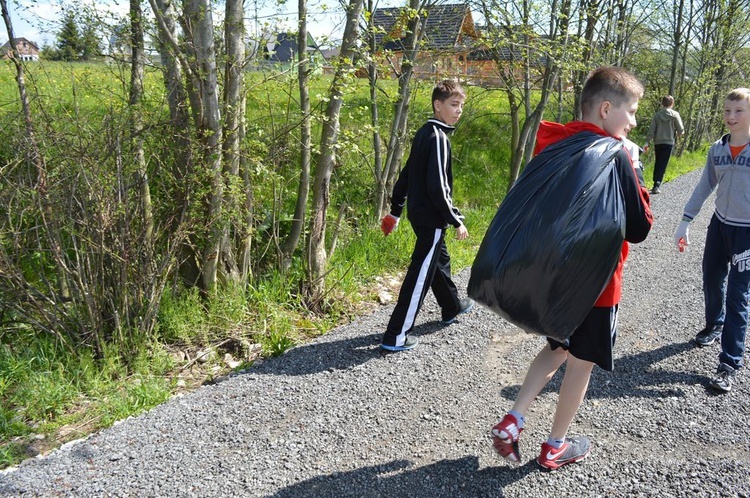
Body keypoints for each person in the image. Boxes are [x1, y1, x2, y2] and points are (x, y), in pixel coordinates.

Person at [490, 66, 653, 470]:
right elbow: (639, 227)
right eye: (630, 111)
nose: (633, 121)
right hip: (598, 286)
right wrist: (635, 173)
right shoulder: (615, 156)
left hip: (556, 281)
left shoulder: (556, 145)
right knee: (580, 364)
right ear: (604, 109)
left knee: (556, 347)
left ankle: (514, 419)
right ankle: (556, 445)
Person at [379, 80, 475, 352]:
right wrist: (455, 218)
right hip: (432, 218)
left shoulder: (424, 133)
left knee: (438, 261)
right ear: (438, 105)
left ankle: (451, 306)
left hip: (419, 216)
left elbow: (407, 174)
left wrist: (396, 211)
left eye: (461, 106)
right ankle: (396, 335)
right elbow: (439, 186)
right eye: (454, 105)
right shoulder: (439, 138)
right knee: (420, 273)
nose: (459, 111)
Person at [674, 88, 750, 393]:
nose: (730, 117)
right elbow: (703, 186)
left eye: (738, 111)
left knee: (738, 294)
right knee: (711, 278)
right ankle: (715, 324)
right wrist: (685, 222)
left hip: (746, 232)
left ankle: (729, 363)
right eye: (727, 111)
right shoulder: (717, 149)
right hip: (719, 227)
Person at [644, 95, 685, 194]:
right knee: (663, 163)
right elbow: (681, 130)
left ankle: (655, 183)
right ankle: (657, 185)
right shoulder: (675, 115)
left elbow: (652, 130)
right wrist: (678, 133)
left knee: (658, 162)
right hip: (668, 142)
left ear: (662, 103)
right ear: (672, 103)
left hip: (658, 142)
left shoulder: (657, 115)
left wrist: (647, 141)